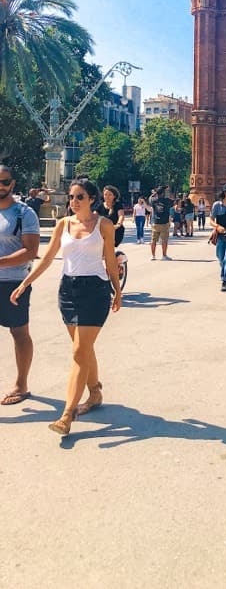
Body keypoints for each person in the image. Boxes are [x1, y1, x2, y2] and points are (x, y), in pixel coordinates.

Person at [10, 177, 121, 436]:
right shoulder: (62, 224)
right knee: (82, 349)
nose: (74, 201)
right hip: (68, 291)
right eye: (72, 197)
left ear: (92, 199)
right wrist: (25, 283)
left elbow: (110, 259)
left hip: (95, 290)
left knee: (79, 353)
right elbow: (48, 258)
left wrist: (117, 290)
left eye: (79, 196)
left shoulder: (104, 225)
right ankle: (94, 393)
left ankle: (66, 415)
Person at [0, 166, 40, 406]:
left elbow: (32, 251)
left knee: (19, 333)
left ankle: (21, 384)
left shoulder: (23, 213)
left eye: (4, 182)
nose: (0, 187)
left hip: (14, 283)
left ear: (12, 184)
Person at [149, 185, 173, 260]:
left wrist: (154, 193)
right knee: (164, 240)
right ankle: (164, 255)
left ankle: (153, 256)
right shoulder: (167, 201)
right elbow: (173, 200)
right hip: (164, 223)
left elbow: (150, 198)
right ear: (163, 193)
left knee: (153, 240)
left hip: (155, 222)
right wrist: (169, 190)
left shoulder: (153, 201)